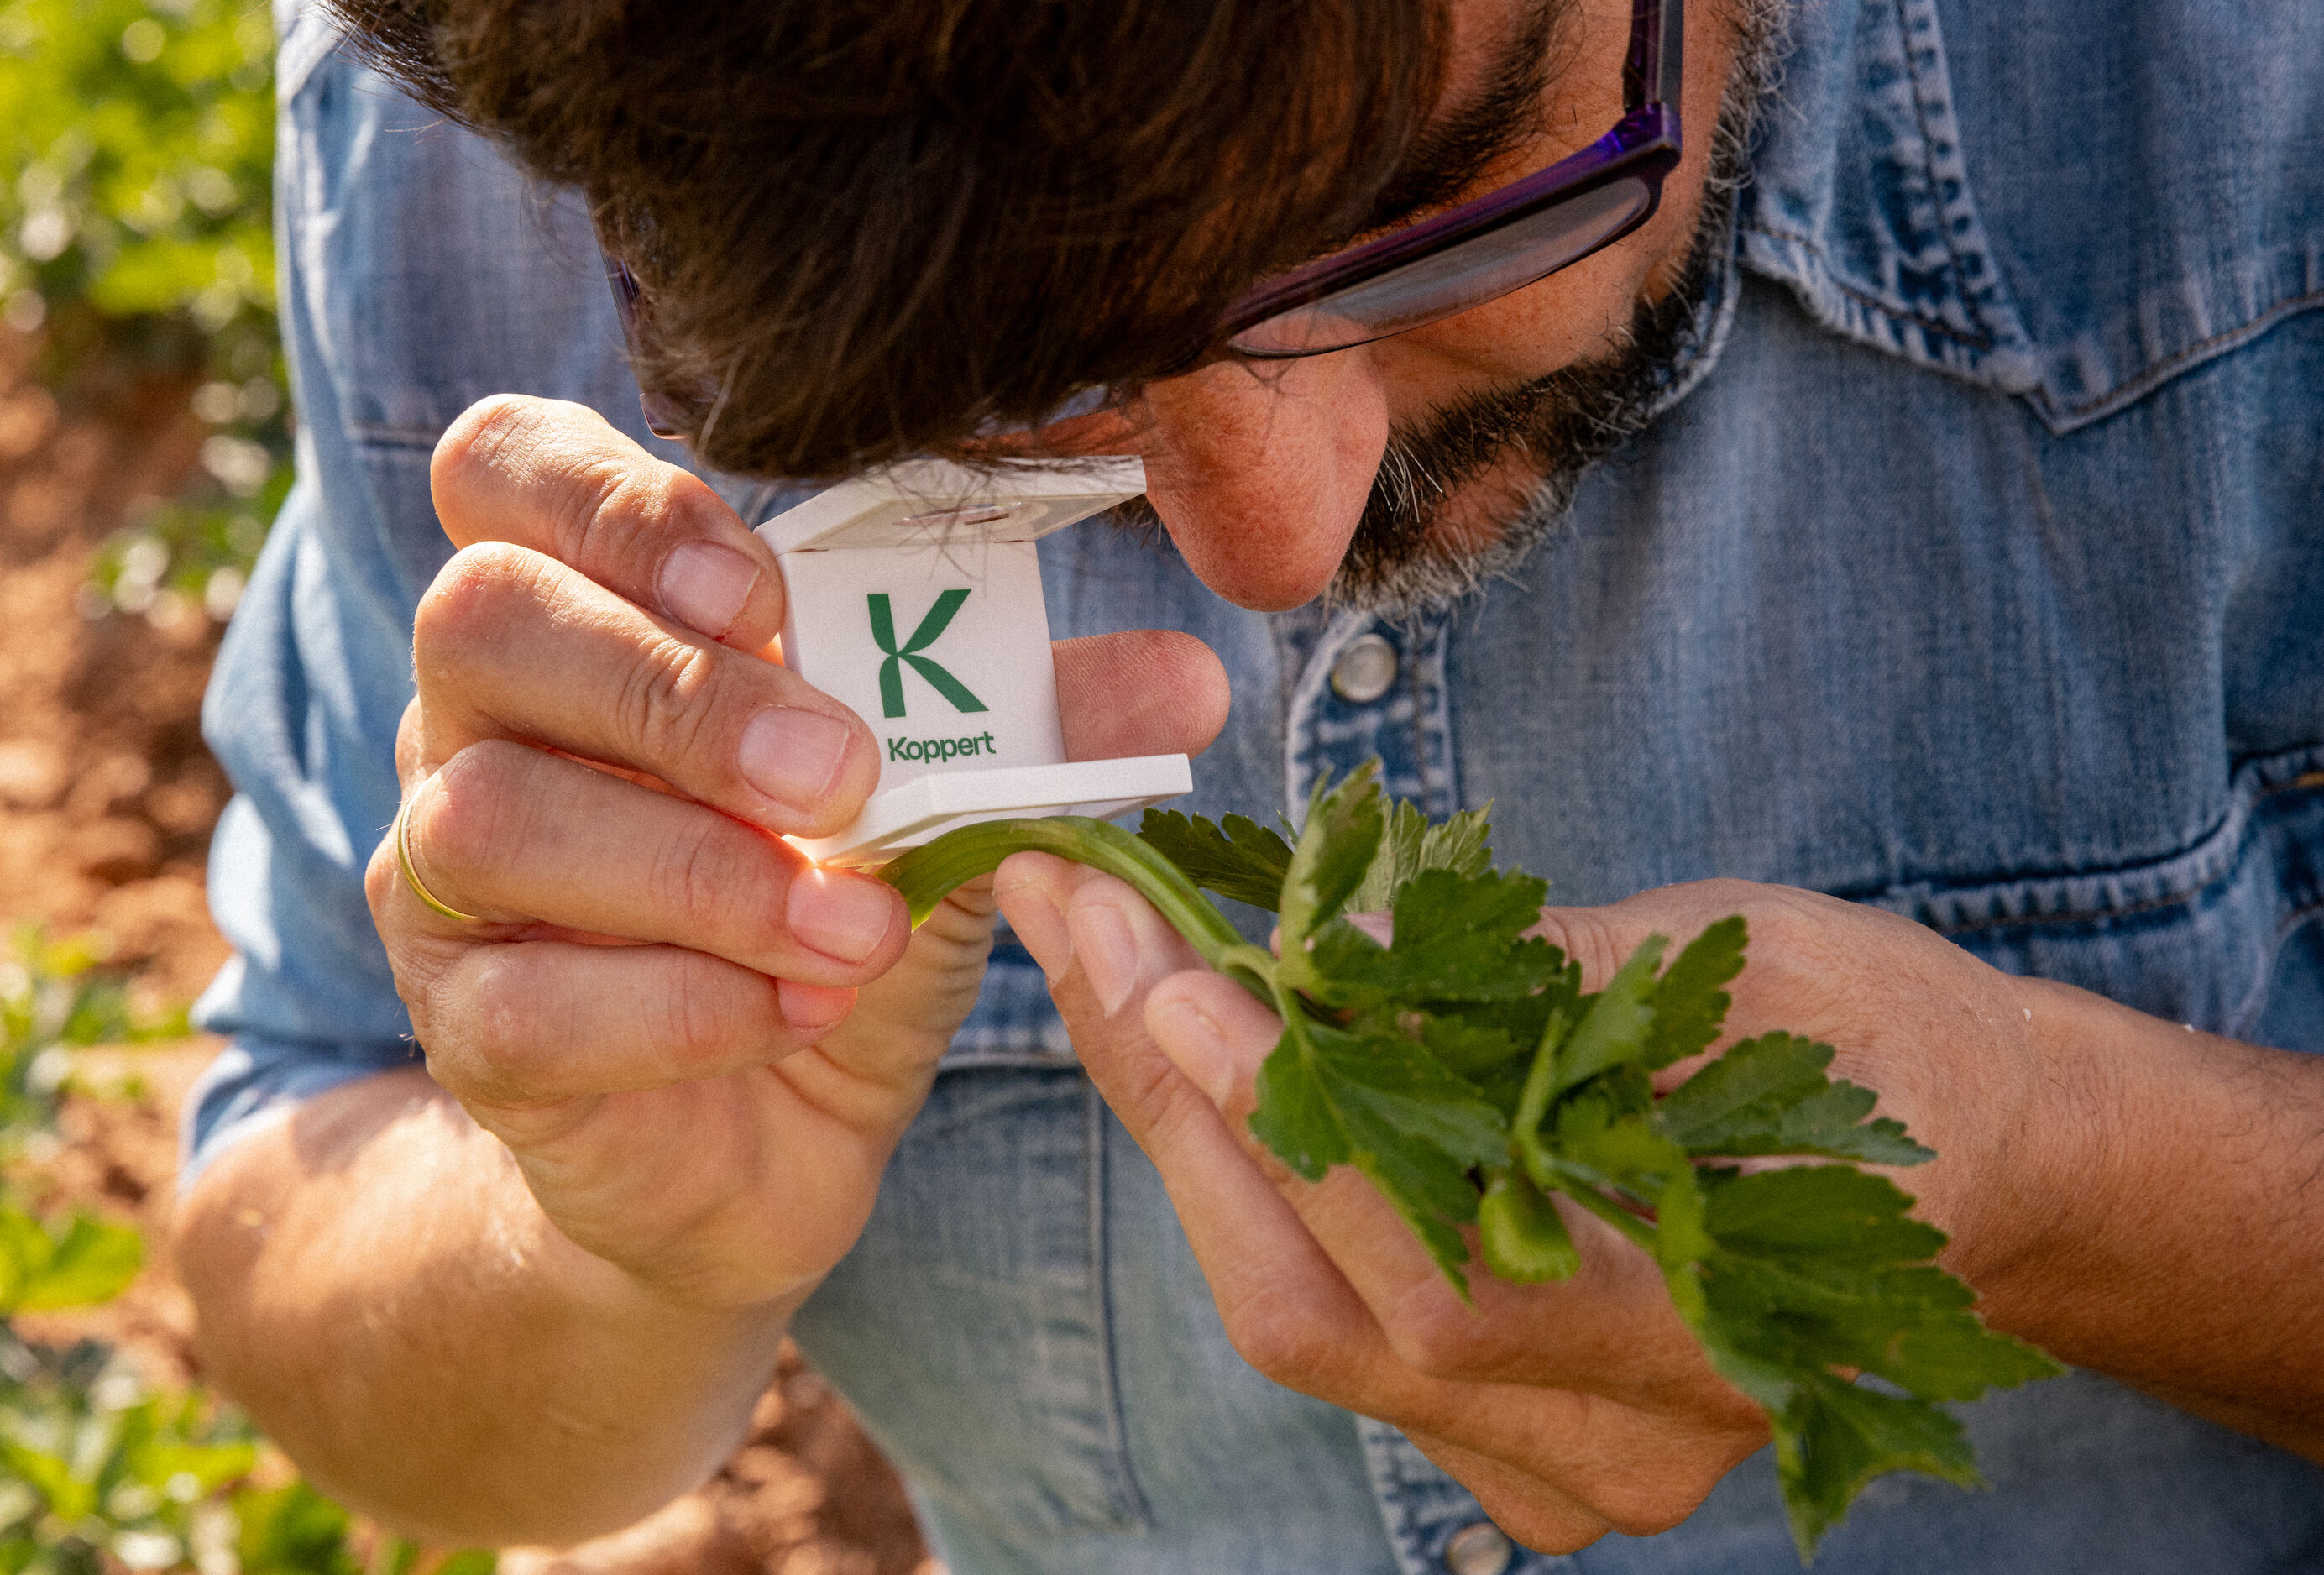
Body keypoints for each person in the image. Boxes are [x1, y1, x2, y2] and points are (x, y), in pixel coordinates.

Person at [175, 0, 2324, 1569]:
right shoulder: (494, 155)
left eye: (1454, 194)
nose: (1268, 534)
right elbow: (293, 1210)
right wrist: (606, 1247)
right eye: (1020, 367)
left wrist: (2074, 1176)